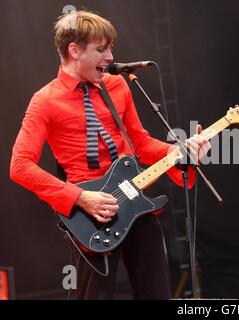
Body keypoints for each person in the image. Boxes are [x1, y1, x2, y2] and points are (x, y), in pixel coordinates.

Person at [9, 10, 210, 299]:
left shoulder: (116, 85)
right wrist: (80, 197)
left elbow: (140, 143)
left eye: (110, 48)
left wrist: (180, 152)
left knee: (156, 292)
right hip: (91, 215)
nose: (109, 57)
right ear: (74, 50)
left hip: (137, 201)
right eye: (101, 49)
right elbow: (20, 166)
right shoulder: (45, 101)